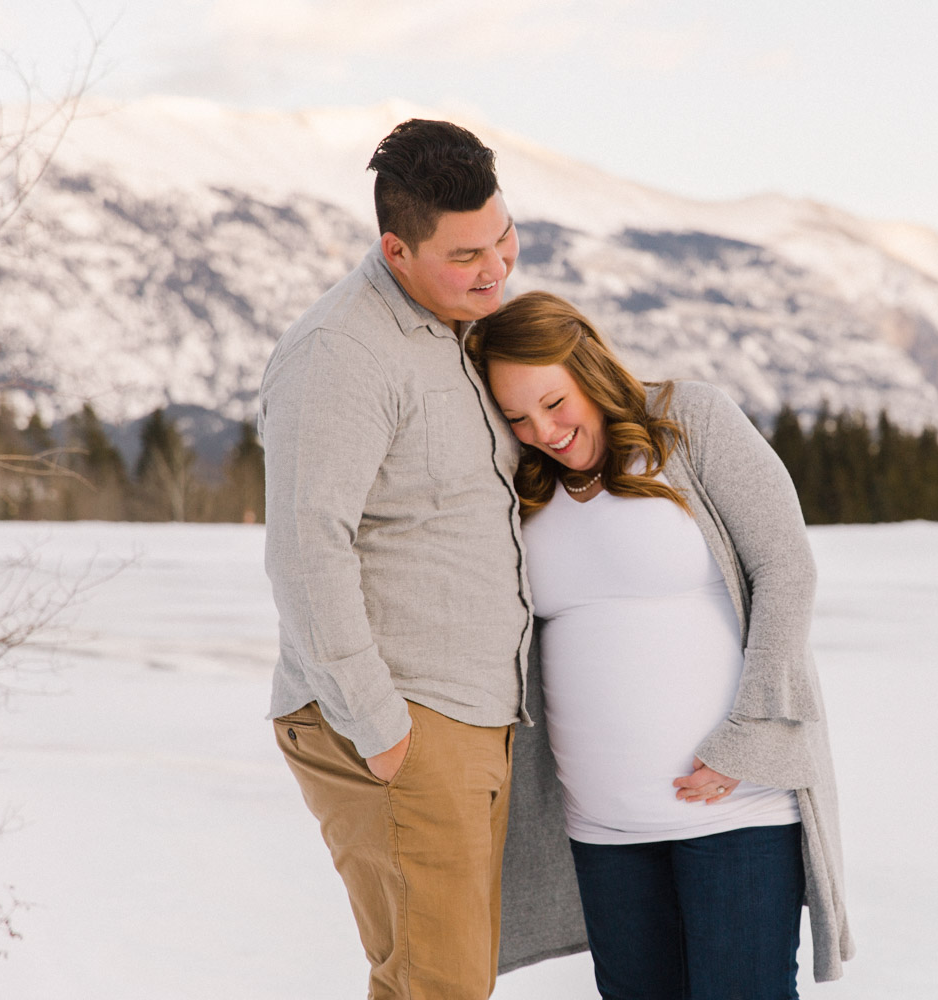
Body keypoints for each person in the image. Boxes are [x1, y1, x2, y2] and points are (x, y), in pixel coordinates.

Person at [472, 291, 854, 999]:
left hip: (735, 807)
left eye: (555, 403)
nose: (544, 432)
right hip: (604, 825)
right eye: (518, 418)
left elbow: (785, 567)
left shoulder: (689, 422)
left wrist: (747, 736)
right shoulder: (522, 484)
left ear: (589, 366)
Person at [258, 119, 533, 1000]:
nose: (494, 268)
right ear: (396, 248)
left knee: (439, 981)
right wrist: (380, 729)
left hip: (465, 716)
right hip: (398, 716)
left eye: (503, 237)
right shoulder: (342, 351)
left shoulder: (452, 330)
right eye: (465, 255)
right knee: (438, 985)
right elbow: (306, 549)